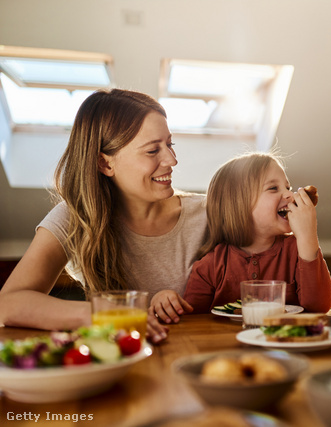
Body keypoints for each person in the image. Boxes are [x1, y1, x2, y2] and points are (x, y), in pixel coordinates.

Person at [0, 89, 206, 343]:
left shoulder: (209, 213)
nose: (172, 160)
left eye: (169, 144)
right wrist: (102, 314)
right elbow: (7, 304)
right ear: (105, 163)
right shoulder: (76, 217)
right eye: (153, 151)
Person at [181, 152, 331, 314]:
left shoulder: (298, 249)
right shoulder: (211, 265)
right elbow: (192, 320)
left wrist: (307, 237)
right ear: (238, 205)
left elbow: (319, 307)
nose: (290, 194)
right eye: (273, 188)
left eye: (287, 187)